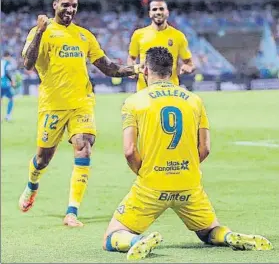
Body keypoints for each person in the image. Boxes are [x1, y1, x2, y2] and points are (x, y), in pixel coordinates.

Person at [103, 47, 273, 260]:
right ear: (172, 70)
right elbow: (205, 148)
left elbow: (129, 151)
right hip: (189, 185)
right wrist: (187, 168)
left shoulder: (134, 102)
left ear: (145, 71)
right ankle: (228, 236)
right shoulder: (194, 100)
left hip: (152, 184)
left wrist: (145, 172)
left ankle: (136, 241)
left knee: (112, 236)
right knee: (209, 231)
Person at [19, 0, 142, 227]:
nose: (70, 9)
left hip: (81, 104)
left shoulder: (84, 36)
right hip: (52, 106)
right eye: (65, 4)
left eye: (74, 5)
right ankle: (32, 183)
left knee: (84, 146)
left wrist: (135, 70)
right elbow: (27, 63)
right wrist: (41, 32)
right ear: (55, 5)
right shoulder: (41, 31)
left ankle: (72, 212)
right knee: (43, 159)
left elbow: (108, 67)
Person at [127, 0, 195, 91]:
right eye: (154, 9)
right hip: (144, 90)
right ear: (150, 13)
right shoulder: (138, 34)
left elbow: (189, 62)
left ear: (167, 12)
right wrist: (132, 69)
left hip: (170, 90)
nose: (158, 12)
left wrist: (188, 67)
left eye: (161, 9)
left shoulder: (178, 36)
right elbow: (132, 58)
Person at [1, 51, 16, 122]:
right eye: (9, 56)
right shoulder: (7, 63)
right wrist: (12, 81)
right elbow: (7, 73)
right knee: (11, 98)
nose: (10, 58)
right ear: (6, 56)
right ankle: (8, 116)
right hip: (4, 84)